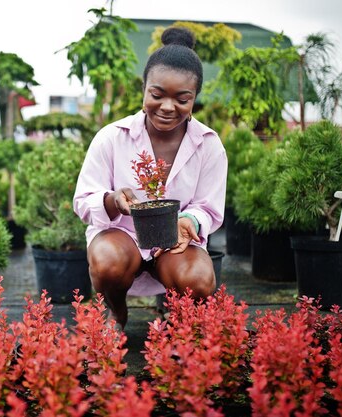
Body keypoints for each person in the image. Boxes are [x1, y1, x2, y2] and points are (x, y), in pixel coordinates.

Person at [72, 27, 227, 329]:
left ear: (195, 98)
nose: (168, 107)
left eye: (182, 99)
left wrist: (191, 222)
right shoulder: (112, 138)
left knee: (198, 279)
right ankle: (117, 313)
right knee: (107, 262)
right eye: (157, 95)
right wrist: (113, 201)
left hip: (176, 241)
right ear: (143, 88)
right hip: (123, 235)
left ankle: (176, 320)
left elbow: (209, 207)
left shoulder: (208, 144)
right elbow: (84, 200)